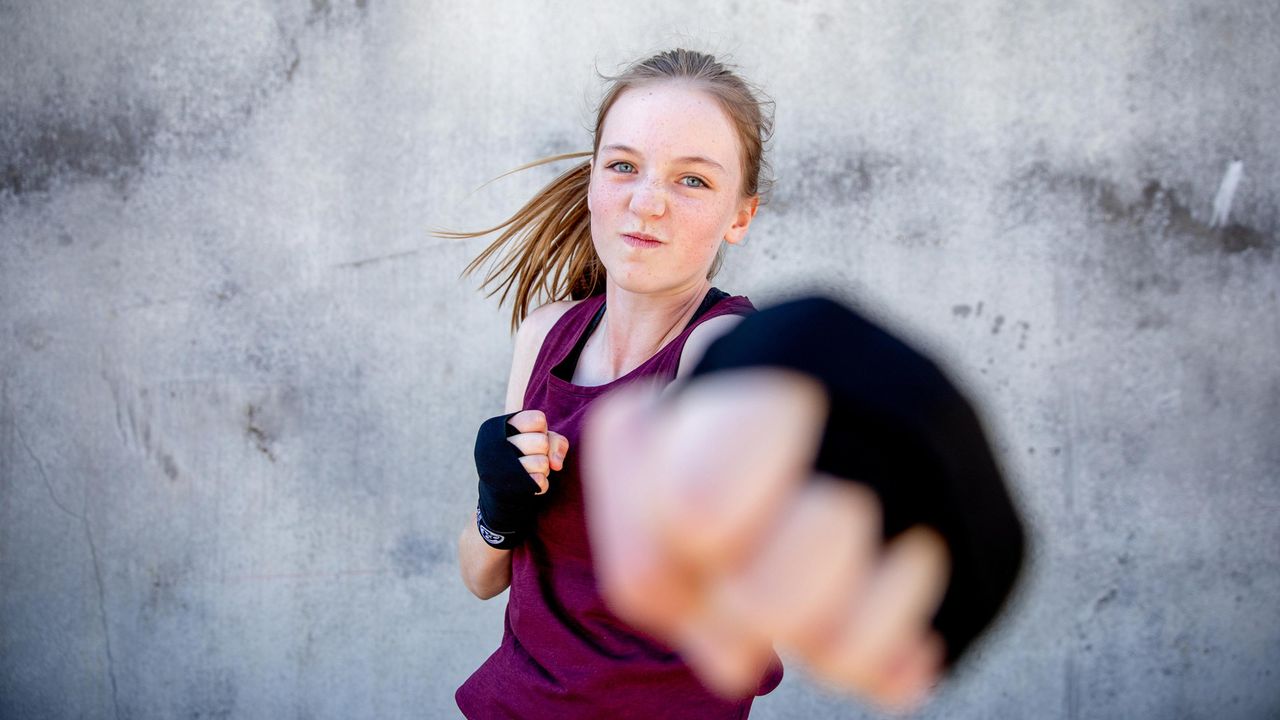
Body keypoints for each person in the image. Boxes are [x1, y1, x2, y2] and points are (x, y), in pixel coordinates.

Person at [443, 48, 1021, 719]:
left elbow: (767, 394)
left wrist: (855, 406)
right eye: (623, 166)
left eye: (693, 181)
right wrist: (497, 508)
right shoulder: (546, 334)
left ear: (740, 216)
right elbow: (481, 577)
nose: (647, 201)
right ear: (594, 180)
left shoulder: (718, 347)